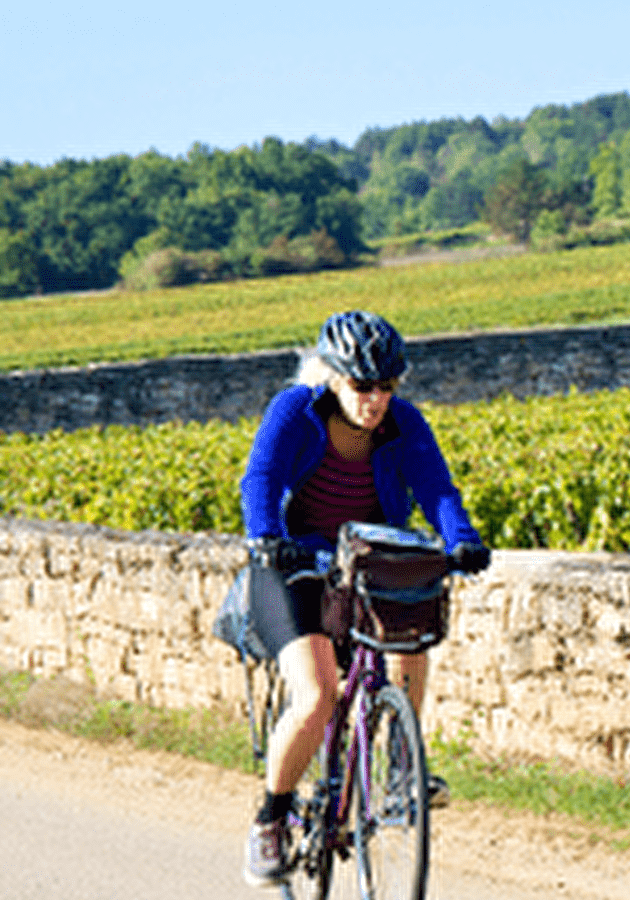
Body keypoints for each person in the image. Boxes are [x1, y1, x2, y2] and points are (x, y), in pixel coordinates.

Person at [238, 309, 490, 888]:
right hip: (293, 566)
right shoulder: (293, 412)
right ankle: (271, 820)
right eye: (361, 385)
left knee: (412, 628)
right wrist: (266, 537)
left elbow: (436, 488)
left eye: (386, 386)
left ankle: (401, 769)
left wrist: (463, 540)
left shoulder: (404, 424)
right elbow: (262, 479)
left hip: (367, 561)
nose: (374, 399)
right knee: (320, 691)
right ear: (332, 377)